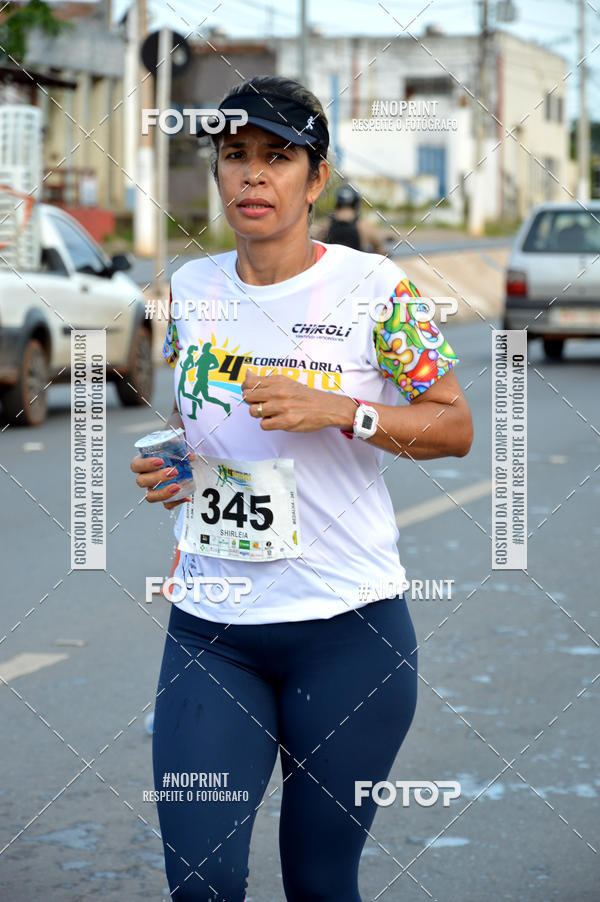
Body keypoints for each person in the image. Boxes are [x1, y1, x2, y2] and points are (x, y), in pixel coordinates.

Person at [130, 74, 473, 902]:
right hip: (214, 630)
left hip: (349, 633)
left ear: (314, 179)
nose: (253, 175)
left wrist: (342, 411)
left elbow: (455, 427)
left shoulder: (377, 291)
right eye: (235, 155)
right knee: (202, 882)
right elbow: (212, 425)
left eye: (277, 157)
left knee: (320, 882)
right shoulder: (192, 293)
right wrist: (180, 461)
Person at [312, 183, 388, 253]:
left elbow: (314, 248)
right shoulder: (364, 225)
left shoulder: (325, 224)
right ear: (356, 203)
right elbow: (380, 250)